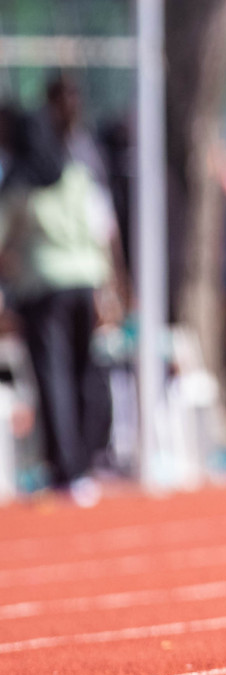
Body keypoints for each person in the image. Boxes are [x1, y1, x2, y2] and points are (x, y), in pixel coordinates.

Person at [0, 112, 119, 505]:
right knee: (85, 370)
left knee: (54, 378)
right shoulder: (76, 175)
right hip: (86, 281)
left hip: (43, 288)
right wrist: (106, 287)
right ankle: (87, 460)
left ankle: (66, 469)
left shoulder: (18, 184)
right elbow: (101, 232)